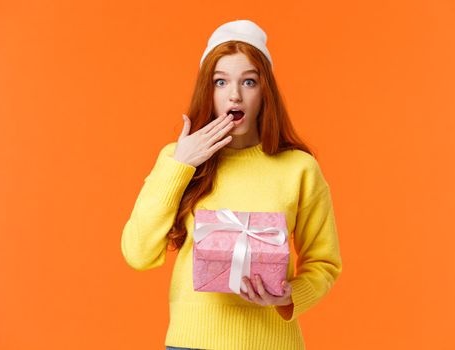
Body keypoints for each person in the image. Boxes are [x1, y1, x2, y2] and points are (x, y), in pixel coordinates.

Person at [121, 19, 343, 350]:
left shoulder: (299, 168)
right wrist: (179, 166)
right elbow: (137, 254)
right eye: (220, 82)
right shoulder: (177, 160)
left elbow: (325, 262)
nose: (234, 95)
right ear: (206, 91)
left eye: (249, 82)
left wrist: (289, 295)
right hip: (191, 343)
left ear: (264, 91)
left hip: (273, 344)